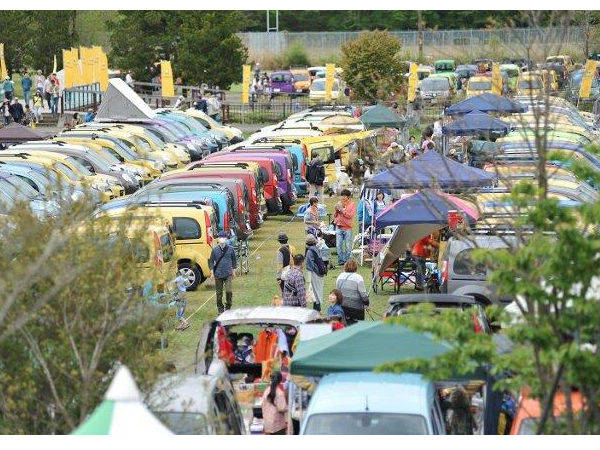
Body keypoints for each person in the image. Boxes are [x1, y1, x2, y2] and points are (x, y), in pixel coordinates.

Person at [208, 231, 237, 313]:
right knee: (219, 293)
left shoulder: (231, 249)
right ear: (217, 239)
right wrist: (212, 273)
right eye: (220, 237)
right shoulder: (214, 250)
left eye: (223, 237)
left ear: (226, 238)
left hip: (228, 273)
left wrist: (233, 270)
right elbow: (211, 261)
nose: (222, 239)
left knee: (229, 291)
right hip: (218, 274)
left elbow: (234, 260)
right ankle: (220, 309)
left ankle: (228, 307)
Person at [335, 259, 369, 324]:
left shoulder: (340, 276)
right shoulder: (358, 278)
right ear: (356, 267)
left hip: (343, 307)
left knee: (345, 325)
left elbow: (337, 292)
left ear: (345, 266)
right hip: (356, 309)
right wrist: (366, 303)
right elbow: (363, 295)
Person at [333, 188, 356, 267]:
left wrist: (342, 210)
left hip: (347, 228)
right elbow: (335, 216)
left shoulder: (352, 204)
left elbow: (350, 216)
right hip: (339, 227)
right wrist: (336, 210)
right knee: (338, 245)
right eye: (342, 195)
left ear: (348, 197)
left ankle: (348, 262)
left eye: (345, 196)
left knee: (348, 246)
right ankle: (341, 261)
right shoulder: (339, 203)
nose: (343, 197)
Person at [305, 234, 327, 312]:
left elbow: (309, 265)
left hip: (315, 273)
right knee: (318, 291)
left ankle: (317, 310)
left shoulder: (309, 251)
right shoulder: (316, 249)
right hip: (320, 273)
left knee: (315, 292)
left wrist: (308, 278)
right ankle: (317, 309)